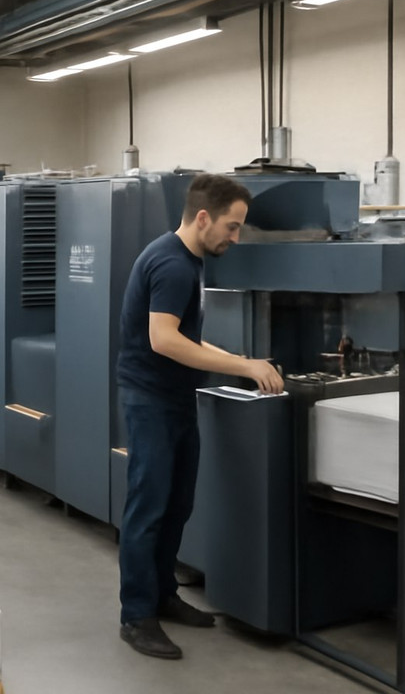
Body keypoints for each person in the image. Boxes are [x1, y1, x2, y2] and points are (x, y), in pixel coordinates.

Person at [117, 173, 284, 660]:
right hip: (151, 401)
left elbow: (186, 337)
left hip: (174, 397)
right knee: (149, 508)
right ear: (204, 217)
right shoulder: (172, 264)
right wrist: (243, 368)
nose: (236, 238)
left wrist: (241, 361)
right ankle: (136, 615)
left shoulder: (186, 259)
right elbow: (163, 340)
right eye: (232, 227)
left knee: (176, 504)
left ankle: (162, 595)